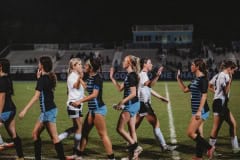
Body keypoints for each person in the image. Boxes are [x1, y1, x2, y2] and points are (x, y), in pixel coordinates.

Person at [19, 56, 65, 160]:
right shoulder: (46, 77)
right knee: (35, 134)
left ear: (42, 65)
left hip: (49, 112)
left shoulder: (43, 79)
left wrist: (24, 110)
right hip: (46, 112)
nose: (38, 64)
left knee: (54, 138)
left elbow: (36, 97)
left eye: (39, 63)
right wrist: (38, 78)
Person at [71, 58, 115, 160]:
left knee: (103, 135)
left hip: (98, 110)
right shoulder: (91, 77)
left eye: (86, 65)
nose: (84, 67)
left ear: (90, 68)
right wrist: (79, 78)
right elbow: (88, 88)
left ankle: (111, 157)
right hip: (92, 110)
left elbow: (94, 95)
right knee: (84, 133)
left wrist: (79, 101)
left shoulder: (97, 78)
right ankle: (79, 155)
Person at [176, 58, 215, 160]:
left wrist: (199, 111)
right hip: (196, 111)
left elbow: (204, 96)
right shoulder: (195, 80)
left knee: (190, 133)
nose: (190, 66)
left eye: (192, 65)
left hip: (201, 111)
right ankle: (199, 156)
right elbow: (185, 90)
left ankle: (210, 147)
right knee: (198, 134)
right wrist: (178, 79)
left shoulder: (203, 80)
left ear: (197, 67)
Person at [136, 57, 176, 152]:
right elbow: (150, 85)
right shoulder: (143, 75)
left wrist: (161, 97)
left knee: (134, 127)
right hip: (144, 105)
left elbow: (149, 88)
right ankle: (164, 146)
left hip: (141, 104)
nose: (151, 65)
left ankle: (131, 145)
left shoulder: (143, 75)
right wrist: (157, 75)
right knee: (156, 124)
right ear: (144, 64)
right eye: (150, 63)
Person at [110, 55, 143, 159]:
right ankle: (133, 157)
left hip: (131, 105)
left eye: (125, 60)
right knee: (132, 130)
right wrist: (112, 78)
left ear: (129, 63)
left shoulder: (131, 76)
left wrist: (122, 102)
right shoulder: (129, 75)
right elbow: (120, 88)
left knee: (119, 129)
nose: (122, 62)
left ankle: (136, 147)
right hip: (133, 104)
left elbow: (133, 93)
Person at [208, 60, 240, 153]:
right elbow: (226, 92)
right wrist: (230, 81)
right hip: (219, 104)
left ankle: (235, 147)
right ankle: (210, 149)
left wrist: (216, 92)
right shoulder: (224, 76)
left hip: (221, 103)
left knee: (232, 124)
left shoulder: (218, 75)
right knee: (216, 128)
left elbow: (209, 85)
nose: (234, 72)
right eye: (234, 70)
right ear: (230, 68)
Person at [58, 58, 86, 159]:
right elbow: (76, 86)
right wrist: (80, 78)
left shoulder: (77, 76)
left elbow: (84, 87)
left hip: (77, 105)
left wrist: (81, 78)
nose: (81, 66)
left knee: (76, 128)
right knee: (79, 128)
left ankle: (58, 138)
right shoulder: (72, 77)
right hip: (73, 105)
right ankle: (76, 151)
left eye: (81, 64)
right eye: (78, 64)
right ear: (73, 66)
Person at [0, 58, 24, 160]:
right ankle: (20, 156)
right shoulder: (7, 78)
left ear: (1, 66)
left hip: (5, 111)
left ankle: (1, 145)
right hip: (11, 109)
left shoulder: (2, 80)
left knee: (13, 133)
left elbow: (2, 98)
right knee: (13, 134)